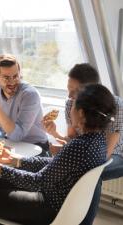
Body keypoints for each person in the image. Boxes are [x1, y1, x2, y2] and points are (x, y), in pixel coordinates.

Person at [0, 84, 116, 225]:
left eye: (74, 104)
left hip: (50, 208)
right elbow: (56, 164)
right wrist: (15, 160)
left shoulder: (79, 145)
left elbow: (38, 181)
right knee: (1, 183)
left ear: (81, 113)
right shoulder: (98, 140)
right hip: (62, 201)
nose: (71, 108)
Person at [43, 63, 123, 224]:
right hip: (86, 153)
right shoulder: (70, 104)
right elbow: (72, 140)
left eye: (75, 91)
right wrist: (55, 134)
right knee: (53, 158)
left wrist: (67, 156)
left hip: (116, 155)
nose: (69, 95)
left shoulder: (116, 106)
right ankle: (54, 209)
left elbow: (104, 155)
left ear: (91, 90)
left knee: (92, 172)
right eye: (68, 88)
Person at [0, 54, 49, 155]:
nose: (12, 82)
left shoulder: (30, 95)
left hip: (36, 148)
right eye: (6, 78)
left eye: (15, 76)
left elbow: (17, 135)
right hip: (10, 144)